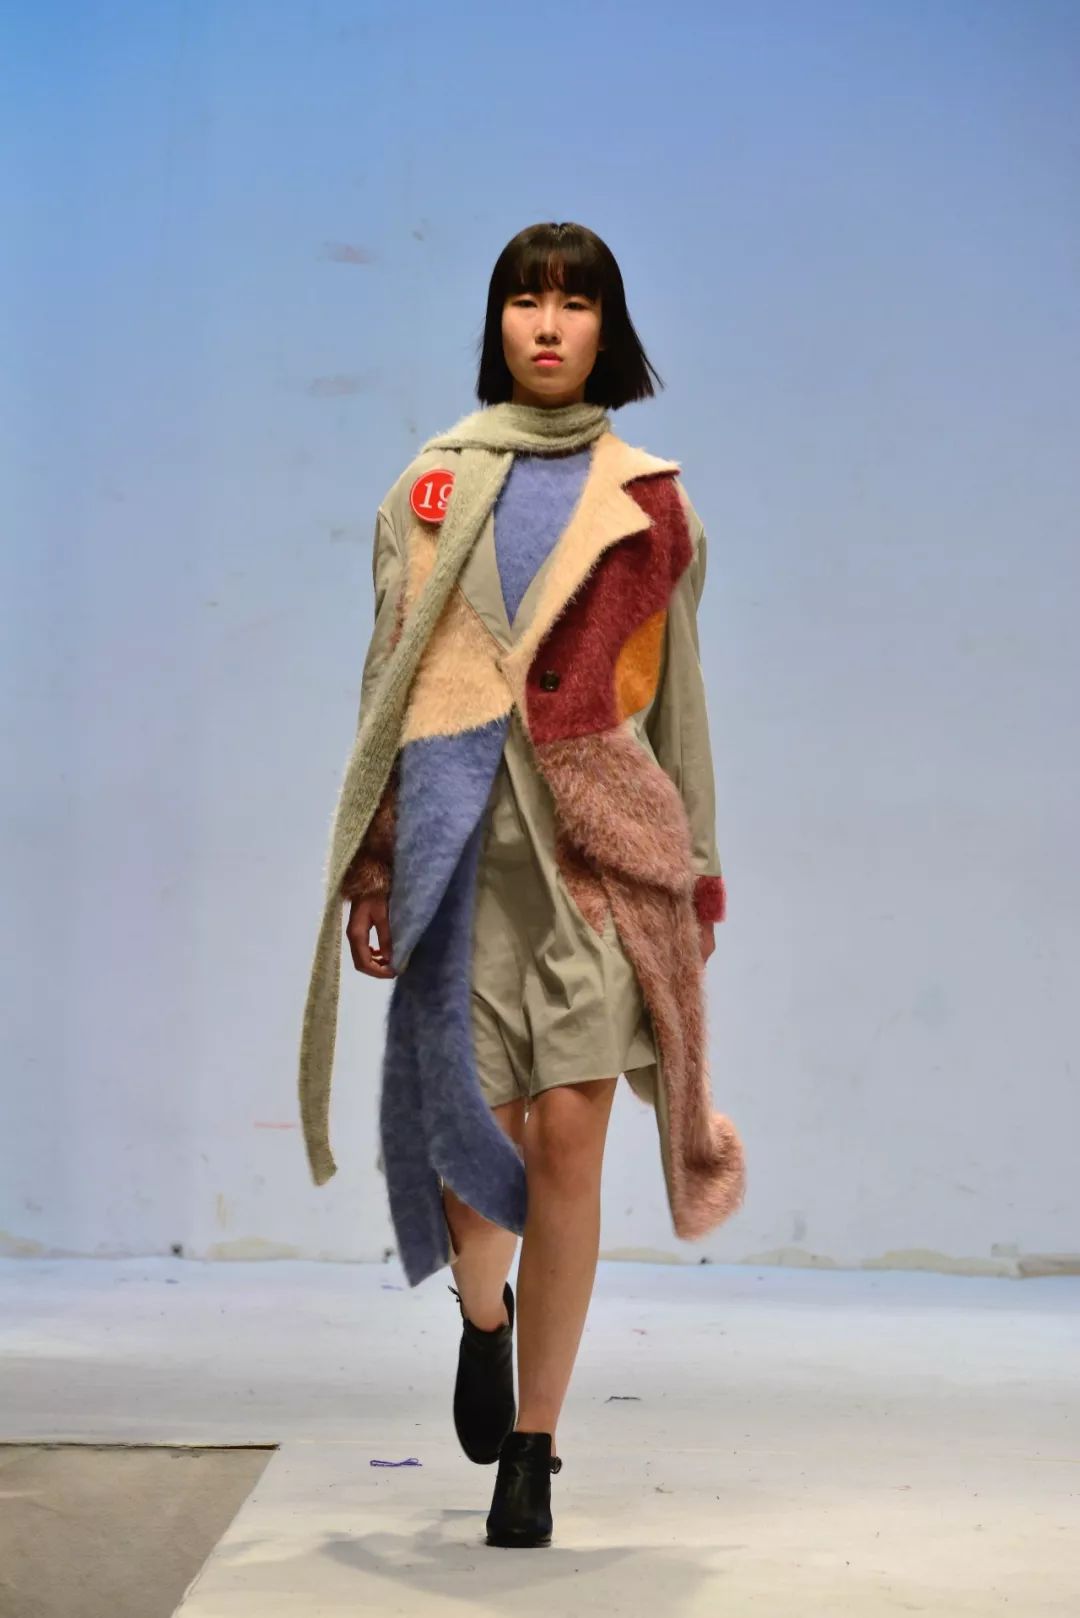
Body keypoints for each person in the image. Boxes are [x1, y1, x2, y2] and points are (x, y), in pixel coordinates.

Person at [298, 220, 745, 1548]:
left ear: (610, 328)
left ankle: (535, 1446)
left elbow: (681, 709)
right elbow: (385, 691)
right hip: (460, 864)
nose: (549, 325)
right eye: (526, 301)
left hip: (598, 869)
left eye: (575, 303)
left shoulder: (652, 504)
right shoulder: (428, 486)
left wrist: (696, 879)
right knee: (474, 1161)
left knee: (568, 1145)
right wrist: (375, 861)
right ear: (496, 322)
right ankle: (482, 1313)